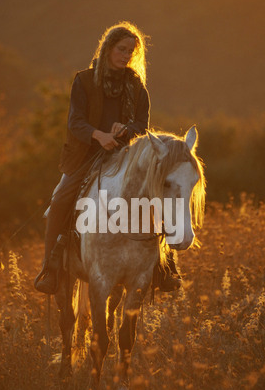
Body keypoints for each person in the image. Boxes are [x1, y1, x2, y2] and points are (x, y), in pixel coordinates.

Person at [35, 21, 180, 295]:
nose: (126, 55)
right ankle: (51, 269)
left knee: (157, 195)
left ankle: (164, 267)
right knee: (60, 199)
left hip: (126, 156)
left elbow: (142, 126)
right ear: (108, 48)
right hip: (87, 155)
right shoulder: (84, 81)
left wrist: (126, 130)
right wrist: (99, 135)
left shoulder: (137, 87)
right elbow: (75, 123)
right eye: (121, 49)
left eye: (131, 51)